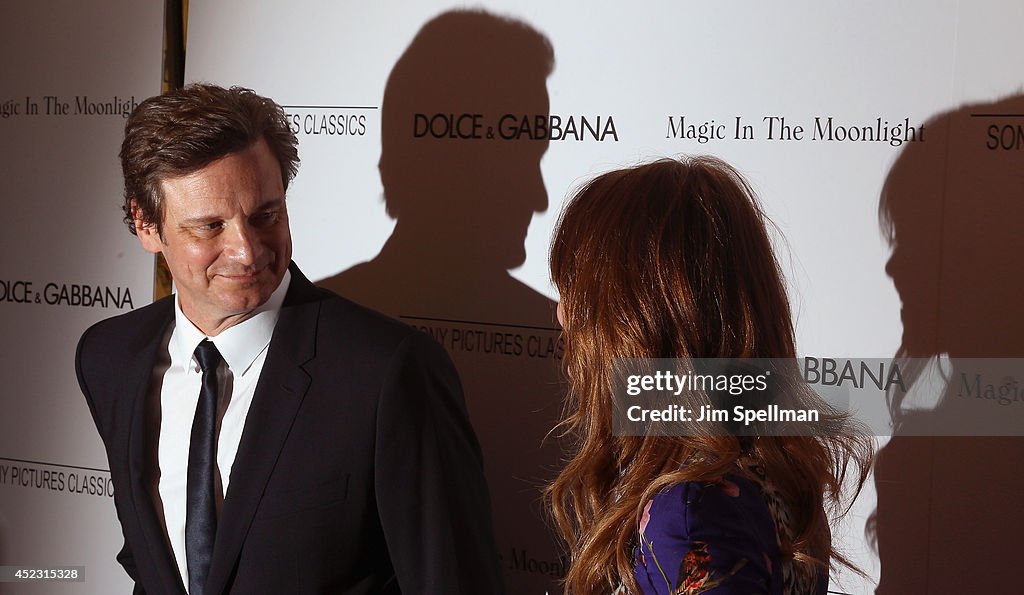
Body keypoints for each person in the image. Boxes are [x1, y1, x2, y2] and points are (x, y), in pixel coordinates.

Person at [75, 83, 504, 595]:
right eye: (209, 227)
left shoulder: (386, 371)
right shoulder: (110, 358)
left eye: (266, 216)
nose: (246, 251)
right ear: (147, 226)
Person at [546, 157, 872, 594]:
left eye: (573, 292)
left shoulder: (689, 511)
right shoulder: (763, 473)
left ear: (635, 322)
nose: (562, 315)